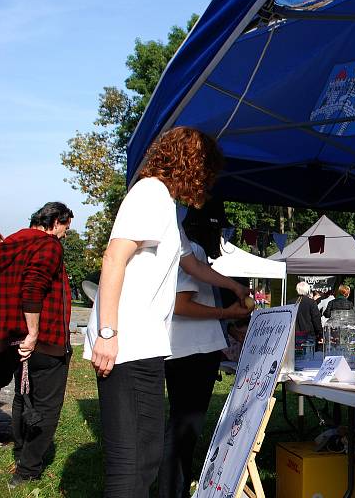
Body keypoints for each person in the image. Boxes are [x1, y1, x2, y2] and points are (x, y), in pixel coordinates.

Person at [83, 126, 247, 497]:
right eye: (207, 172)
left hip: (147, 346)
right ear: (193, 164)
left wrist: (233, 286)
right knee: (130, 462)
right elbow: (113, 258)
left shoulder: (169, 208)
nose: (208, 183)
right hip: (125, 346)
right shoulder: (149, 194)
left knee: (147, 457)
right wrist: (107, 334)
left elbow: (193, 266)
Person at [158, 201, 252, 498]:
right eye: (218, 230)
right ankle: (172, 491)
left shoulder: (190, 254)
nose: (221, 239)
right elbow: (182, 305)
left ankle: (175, 487)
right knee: (183, 430)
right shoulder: (193, 252)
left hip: (186, 352)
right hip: (192, 355)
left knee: (183, 428)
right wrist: (228, 315)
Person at [0, 202, 73, 487]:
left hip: (14, 340)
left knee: (22, 396)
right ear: (55, 221)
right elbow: (32, 288)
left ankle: (21, 454)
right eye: (66, 227)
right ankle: (27, 470)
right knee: (47, 405)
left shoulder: (12, 242)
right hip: (43, 340)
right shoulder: (48, 245)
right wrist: (33, 332)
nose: (65, 234)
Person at [295, 281, 323, 349]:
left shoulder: (291, 302)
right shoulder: (311, 302)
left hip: (295, 335)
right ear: (307, 290)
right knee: (309, 357)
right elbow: (316, 319)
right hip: (308, 335)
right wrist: (320, 334)